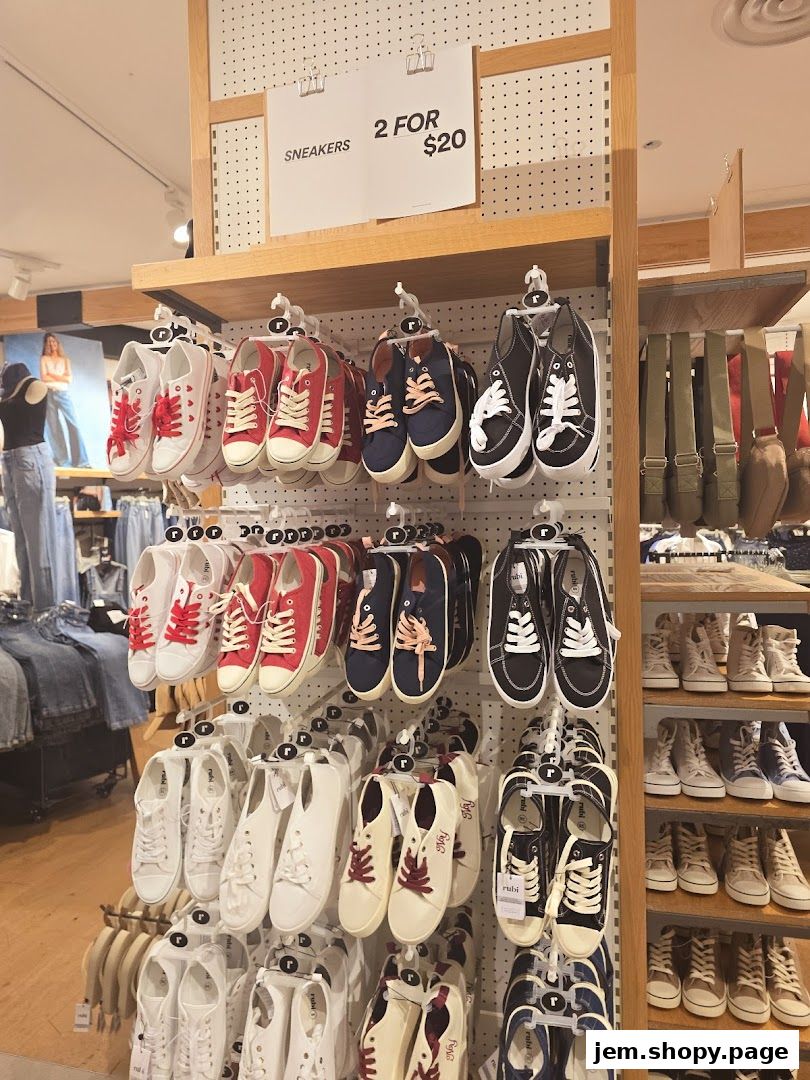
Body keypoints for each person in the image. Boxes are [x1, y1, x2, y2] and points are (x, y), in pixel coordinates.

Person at [40, 332, 92, 468]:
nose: (52, 344)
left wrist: (52, 374)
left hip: (63, 393)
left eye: (54, 341)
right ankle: (62, 460)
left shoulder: (65, 360)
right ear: (46, 344)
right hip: (48, 393)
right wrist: (59, 376)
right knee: (53, 428)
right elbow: (44, 378)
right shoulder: (44, 359)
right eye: (49, 342)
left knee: (73, 424)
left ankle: (81, 461)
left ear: (57, 343)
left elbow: (68, 379)